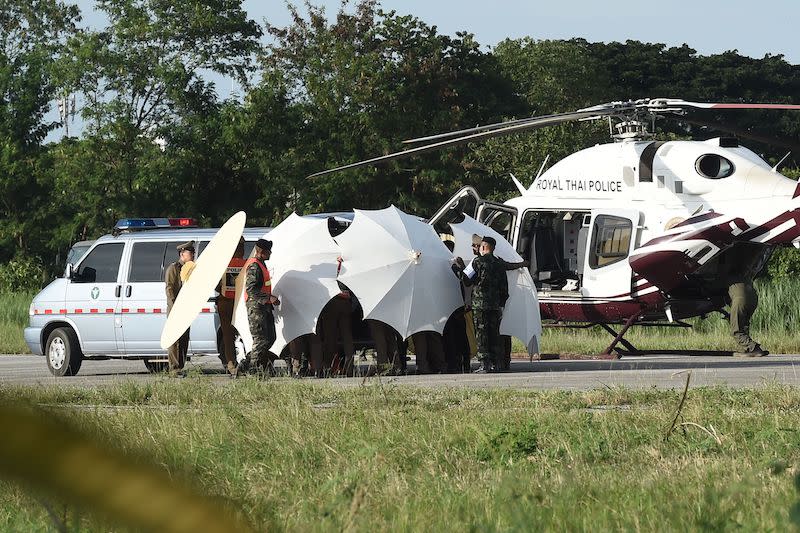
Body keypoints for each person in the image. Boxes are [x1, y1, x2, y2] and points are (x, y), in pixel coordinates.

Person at [455, 236, 528, 373]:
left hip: (480, 305)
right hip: (495, 306)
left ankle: (485, 364)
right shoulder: (499, 263)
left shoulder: (477, 262)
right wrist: (522, 264)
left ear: (483, 247)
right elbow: (505, 285)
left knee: (482, 334)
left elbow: (467, 281)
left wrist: (458, 267)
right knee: (494, 334)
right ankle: (496, 363)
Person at [718, 243, 772, 357]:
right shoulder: (744, 275)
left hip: (740, 300)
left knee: (736, 331)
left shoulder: (725, 276)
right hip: (753, 298)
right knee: (744, 325)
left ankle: (754, 348)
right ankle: (749, 349)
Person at [241, 238, 281, 376]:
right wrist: (269, 298)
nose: (270, 253)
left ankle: (247, 364)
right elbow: (251, 289)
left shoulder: (261, 263)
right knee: (261, 339)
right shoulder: (254, 266)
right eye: (268, 251)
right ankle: (253, 369)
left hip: (264, 307)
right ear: (261, 252)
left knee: (270, 338)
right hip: (256, 308)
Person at [164, 241, 195, 377]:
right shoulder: (174, 268)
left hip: (186, 309)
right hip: (176, 309)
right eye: (190, 252)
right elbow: (170, 289)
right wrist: (175, 308)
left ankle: (180, 366)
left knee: (184, 339)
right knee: (175, 340)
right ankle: (174, 368)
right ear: (182, 254)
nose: (193, 255)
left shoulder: (192, 268)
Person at [217, 237, 246, 377]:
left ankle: (231, 364)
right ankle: (245, 364)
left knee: (228, 336)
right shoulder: (246, 264)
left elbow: (216, 285)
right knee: (244, 335)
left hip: (224, 303)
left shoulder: (222, 263)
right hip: (240, 305)